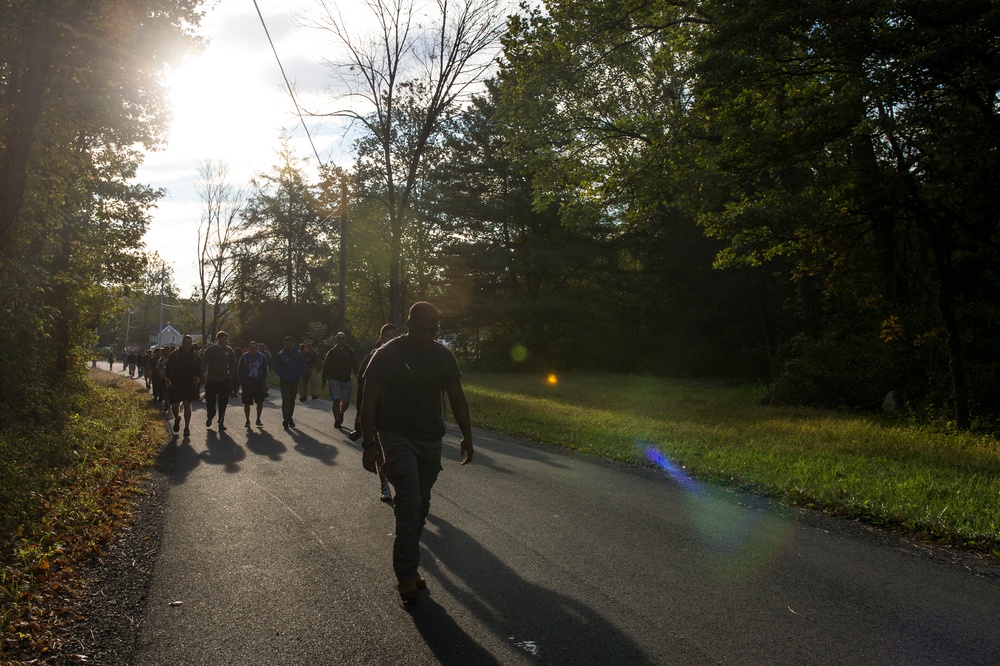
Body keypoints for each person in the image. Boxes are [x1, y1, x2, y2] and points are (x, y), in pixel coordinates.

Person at [360, 302, 473, 603]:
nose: (428, 335)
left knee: (421, 504)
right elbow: (369, 400)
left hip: (430, 437)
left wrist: (467, 435)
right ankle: (407, 574)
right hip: (396, 435)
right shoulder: (387, 355)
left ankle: (410, 562)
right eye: (423, 329)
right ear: (409, 324)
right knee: (410, 499)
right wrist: (369, 445)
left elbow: (456, 396)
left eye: (433, 330)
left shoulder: (442, 355)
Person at [352, 323, 399, 503]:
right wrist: (359, 414)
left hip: (396, 414)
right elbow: (362, 390)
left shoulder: (404, 358)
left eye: (395, 335)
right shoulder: (372, 358)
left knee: (396, 452)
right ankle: (384, 484)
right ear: (381, 339)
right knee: (379, 450)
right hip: (376, 412)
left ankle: (400, 484)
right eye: (388, 336)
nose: (392, 339)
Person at [165, 335, 201, 438]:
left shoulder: (195, 356)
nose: (187, 345)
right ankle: (177, 419)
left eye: (189, 343)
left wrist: (197, 383)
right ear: (182, 343)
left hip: (189, 384)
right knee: (175, 406)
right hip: (176, 384)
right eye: (185, 343)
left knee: (187, 405)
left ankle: (186, 427)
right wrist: (168, 382)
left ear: (191, 344)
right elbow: (168, 369)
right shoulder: (175, 355)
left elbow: (198, 371)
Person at [321, 332, 359, 429]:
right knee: (336, 400)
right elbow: (326, 366)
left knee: (346, 402)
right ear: (336, 340)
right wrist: (323, 379)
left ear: (345, 340)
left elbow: (355, 364)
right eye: (339, 339)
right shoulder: (332, 352)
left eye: (342, 339)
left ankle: (341, 413)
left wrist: (357, 375)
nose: (341, 340)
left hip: (346, 380)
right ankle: (337, 420)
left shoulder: (350, 351)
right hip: (334, 379)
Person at [202, 331, 237, 431]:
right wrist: (204, 372)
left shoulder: (229, 351)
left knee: (223, 402)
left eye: (226, 339)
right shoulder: (211, 349)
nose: (226, 341)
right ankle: (210, 415)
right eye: (224, 339)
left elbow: (232, 364)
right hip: (212, 380)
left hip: (224, 380)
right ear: (219, 339)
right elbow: (204, 361)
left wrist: (231, 375)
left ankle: (221, 422)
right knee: (210, 401)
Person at [273, 336, 306, 429]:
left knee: (292, 400)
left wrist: (299, 374)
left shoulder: (297, 354)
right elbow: (276, 366)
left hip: (294, 380)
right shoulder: (280, 354)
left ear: (293, 344)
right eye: (287, 344)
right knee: (285, 400)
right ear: (284, 344)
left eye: (290, 344)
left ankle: (290, 417)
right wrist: (281, 375)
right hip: (284, 380)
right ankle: (285, 419)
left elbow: (303, 365)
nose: (288, 345)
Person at [238, 340, 269, 428]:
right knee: (247, 403)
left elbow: (264, 370)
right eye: (251, 348)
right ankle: (247, 420)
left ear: (258, 348)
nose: (253, 349)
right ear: (249, 348)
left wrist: (262, 380)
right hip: (247, 383)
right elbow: (240, 370)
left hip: (258, 382)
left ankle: (258, 419)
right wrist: (242, 381)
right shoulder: (244, 357)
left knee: (260, 401)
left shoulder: (262, 357)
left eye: (255, 348)